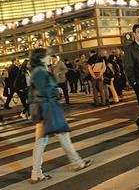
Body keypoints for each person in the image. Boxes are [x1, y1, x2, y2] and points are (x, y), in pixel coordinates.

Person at [29, 48, 92, 183]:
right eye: (47, 55)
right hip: (48, 109)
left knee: (41, 142)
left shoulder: (39, 70)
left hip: (43, 110)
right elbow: (43, 90)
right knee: (63, 136)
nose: (49, 57)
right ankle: (77, 163)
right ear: (40, 58)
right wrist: (55, 91)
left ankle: (36, 173)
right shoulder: (39, 72)